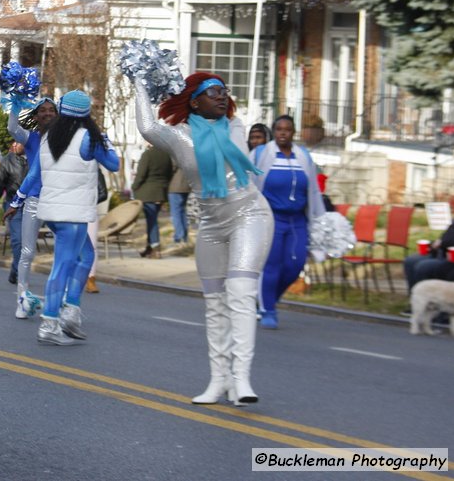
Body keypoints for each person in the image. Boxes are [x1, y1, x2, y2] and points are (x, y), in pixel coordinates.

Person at [134, 72, 273, 406]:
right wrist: (139, 82)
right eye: (213, 93)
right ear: (195, 101)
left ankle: (241, 380)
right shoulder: (178, 136)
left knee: (239, 292)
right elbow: (147, 127)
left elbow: (235, 152)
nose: (222, 96)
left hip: (249, 215)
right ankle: (218, 380)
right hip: (211, 225)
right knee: (214, 304)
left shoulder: (236, 128)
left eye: (224, 91)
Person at [7, 90, 120, 344]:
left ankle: (70, 311)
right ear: (86, 114)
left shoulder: (48, 138)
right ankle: (50, 324)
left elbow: (34, 175)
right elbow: (114, 164)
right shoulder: (88, 138)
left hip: (54, 212)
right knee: (63, 265)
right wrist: (106, 141)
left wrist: (17, 200)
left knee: (85, 256)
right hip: (73, 212)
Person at [251, 115, 324, 330]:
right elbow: (248, 186)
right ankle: (268, 310)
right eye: (279, 129)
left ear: (294, 132)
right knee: (271, 264)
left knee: (296, 265)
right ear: (274, 131)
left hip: (297, 219)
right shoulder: (260, 154)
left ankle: (267, 298)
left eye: (288, 129)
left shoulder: (303, 156)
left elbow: (313, 191)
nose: (283, 133)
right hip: (270, 218)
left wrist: (318, 220)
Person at [6, 97, 59, 317]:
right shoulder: (31, 139)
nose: (47, 113)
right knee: (27, 253)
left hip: (59, 200)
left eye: (51, 110)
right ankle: (22, 300)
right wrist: (16, 101)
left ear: (57, 115)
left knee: (66, 253)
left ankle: (62, 302)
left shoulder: (66, 140)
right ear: (36, 117)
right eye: (43, 111)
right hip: (34, 201)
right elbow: (11, 127)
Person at [0, 139, 28, 283]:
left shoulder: (36, 158)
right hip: (13, 204)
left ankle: (15, 270)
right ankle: (19, 272)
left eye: (19, 142)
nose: (14, 145)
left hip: (32, 204)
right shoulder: (8, 161)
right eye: (13, 142)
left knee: (27, 242)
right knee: (18, 239)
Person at [132, 143, 174, 258]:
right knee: (152, 220)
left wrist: (134, 187)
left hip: (148, 193)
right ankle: (149, 248)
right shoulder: (167, 156)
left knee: (152, 221)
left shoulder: (148, 155)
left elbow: (140, 175)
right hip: (161, 192)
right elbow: (170, 173)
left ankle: (156, 249)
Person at [403, 220, 454, 300]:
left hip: (451, 259)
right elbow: (447, 236)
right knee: (410, 261)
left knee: (423, 267)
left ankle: (431, 304)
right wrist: (437, 242)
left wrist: (444, 243)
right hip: (441, 252)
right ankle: (415, 300)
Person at [169, 165, 191, 247]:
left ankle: (179, 237)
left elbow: (170, 168)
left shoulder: (175, 155)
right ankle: (184, 237)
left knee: (176, 213)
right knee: (182, 212)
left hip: (175, 186)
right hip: (186, 185)